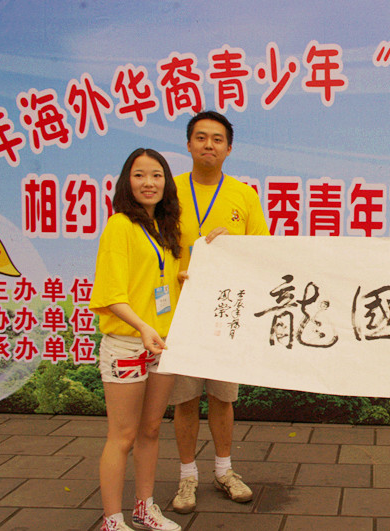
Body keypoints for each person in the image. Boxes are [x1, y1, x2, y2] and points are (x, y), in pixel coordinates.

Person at [169, 111, 270, 514]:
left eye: (216, 139)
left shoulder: (244, 195)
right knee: (185, 399)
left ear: (229, 148)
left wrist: (236, 246)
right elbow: (153, 246)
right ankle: (187, 476)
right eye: (200, 137)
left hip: (227, 313)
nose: (208, 145)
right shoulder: (170, 191)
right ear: (188, 144)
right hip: (181, 311)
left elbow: (262, 251)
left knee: (223, 397)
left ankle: (224, 471)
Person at [90, 148, 183, 531]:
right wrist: (143, 327)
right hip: (128, 344)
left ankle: (145, 508)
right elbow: (111, 293)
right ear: (127, 181)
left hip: (161, 344)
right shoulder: (120, 226)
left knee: (151, 429)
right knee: (123, 436)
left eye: (157, 175)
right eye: (140, 175)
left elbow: (158, 282)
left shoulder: (164, 228)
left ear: (166, 182)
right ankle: (112, 520)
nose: (149, 183)